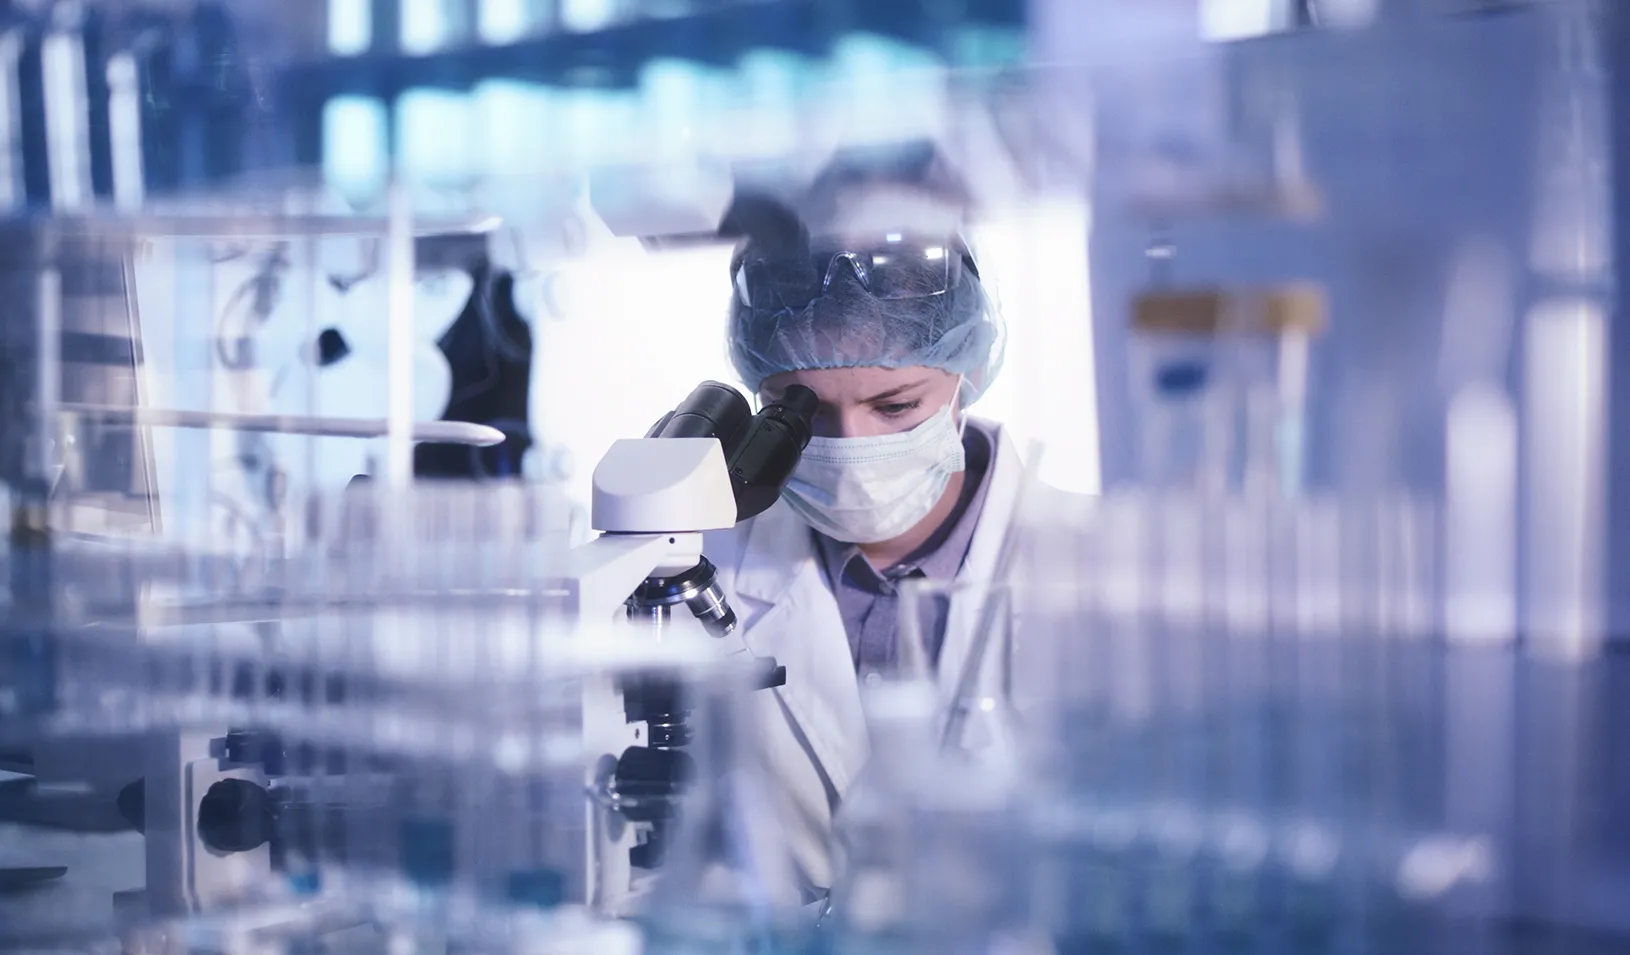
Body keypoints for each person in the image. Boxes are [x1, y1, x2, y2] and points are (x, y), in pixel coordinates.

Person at [701, 144, 1051, 901]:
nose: (852, 447)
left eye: (896, 406)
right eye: (804, 413)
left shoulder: (1095, 565)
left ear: (967, 376)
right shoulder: (702, 571)